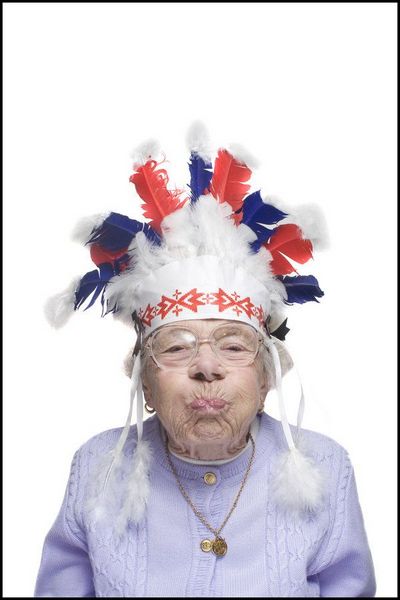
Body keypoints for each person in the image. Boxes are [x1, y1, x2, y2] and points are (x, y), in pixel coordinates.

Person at [35, 122, 376, 597]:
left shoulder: (325, 466)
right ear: (144, 381)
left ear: (266, 377)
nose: (207, 366)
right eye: (177, 346)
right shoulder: (97, 465)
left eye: (233, 346)